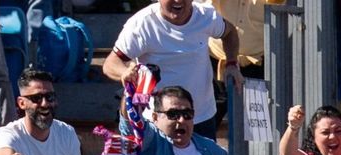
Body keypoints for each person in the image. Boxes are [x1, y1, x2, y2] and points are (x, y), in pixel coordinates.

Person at [103, 0, 244, 138]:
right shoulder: (141, 23)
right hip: (158, 122)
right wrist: (125, 73)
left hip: (201, 119)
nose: (178, 1)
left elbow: (230, 32)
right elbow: (111, 63)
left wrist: (231, 64)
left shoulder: (206, 16)